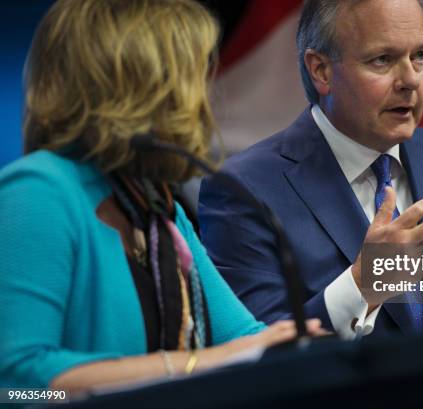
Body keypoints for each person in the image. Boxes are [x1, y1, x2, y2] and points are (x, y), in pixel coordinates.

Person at [0, 0, 322, 392]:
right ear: (141, 89)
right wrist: (196, 364)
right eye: (193, 78)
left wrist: (314, 350)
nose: (204, 99)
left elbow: (246, 339)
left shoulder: (153, 205)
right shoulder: (38, 192)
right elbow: (15, 381)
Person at [198, 0, 423, 339]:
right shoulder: (244, 188)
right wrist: (364, 284)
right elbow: (254, 353)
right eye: (383, 59)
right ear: (321, 70)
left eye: (420, 56)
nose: (410, 80)